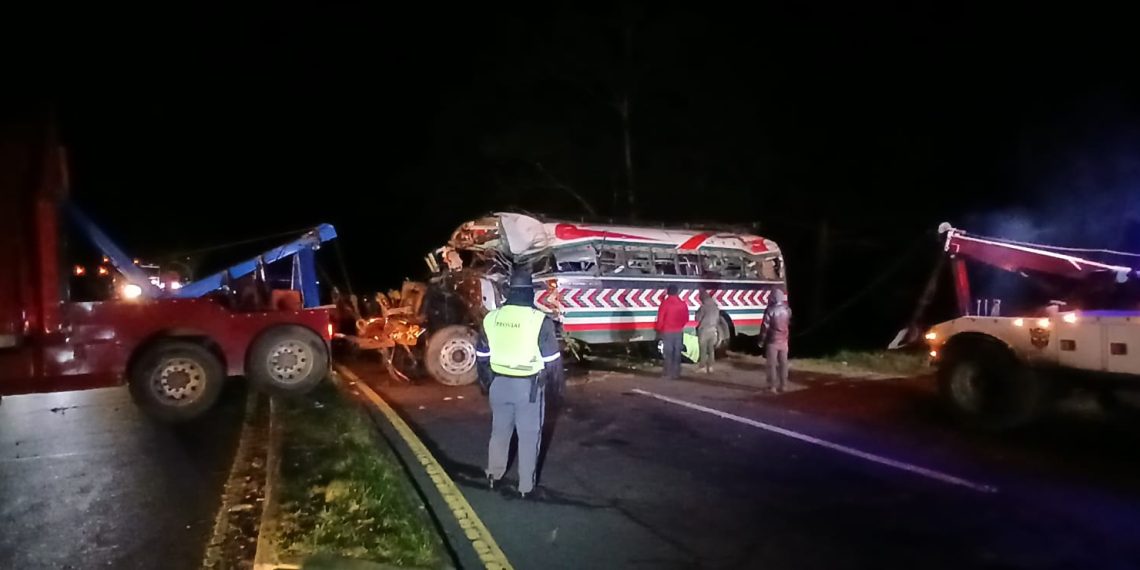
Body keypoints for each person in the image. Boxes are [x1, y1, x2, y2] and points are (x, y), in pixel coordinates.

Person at [475, 267, 564, 499]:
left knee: (499, 432)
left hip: (498, 385)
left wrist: (487, 383)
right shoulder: (539, 320)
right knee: (529, 437)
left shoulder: (491, 318)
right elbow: (552, 364)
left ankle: (494, 475)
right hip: (528, 389)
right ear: (530, 292)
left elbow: (481, 356)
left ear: (508, 292)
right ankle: (526, 486)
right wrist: (555, 393)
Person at [655, 284, 689, 379]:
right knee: (677, 352)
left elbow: (660, 318)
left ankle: (668, 373)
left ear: (668, 292)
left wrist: (659, 329)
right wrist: (680, 326)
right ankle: (676, 373)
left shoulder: (665, 304)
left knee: (668, 352)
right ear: (677, 292)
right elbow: (686, 318)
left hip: (667, 331)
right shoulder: (683, 304)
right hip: (678, 331)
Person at [764, 289, 792, 393]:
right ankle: (784, 385)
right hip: (784, 341)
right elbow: (788, 322)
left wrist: (761, 339)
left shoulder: (770, 311)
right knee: (783, 363)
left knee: (771, 364)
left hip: (772, 341)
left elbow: (765, 327)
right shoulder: (787, 310)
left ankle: (772, 387)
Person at [694, 290, 720, 373]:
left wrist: (696, 313)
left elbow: (698, 318)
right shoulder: (716, 307)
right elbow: (717, 318)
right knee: (711, 349)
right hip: (713, 329)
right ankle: (711, 367)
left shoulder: (703, 307)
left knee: (703, 349)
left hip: (704, 330)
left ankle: (702, 367)